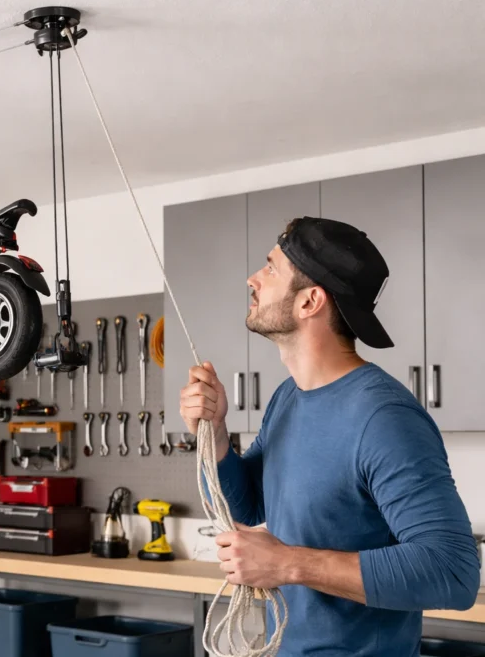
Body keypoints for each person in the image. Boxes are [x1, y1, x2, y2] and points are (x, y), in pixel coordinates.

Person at [180, 216, 480, 656]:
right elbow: (245, 505)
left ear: (309, 302)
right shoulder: (288, 398)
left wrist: (286, 564)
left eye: (270, 268)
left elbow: (453, 572)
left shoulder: (384, 417)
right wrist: (217, 433)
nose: (252, 278)